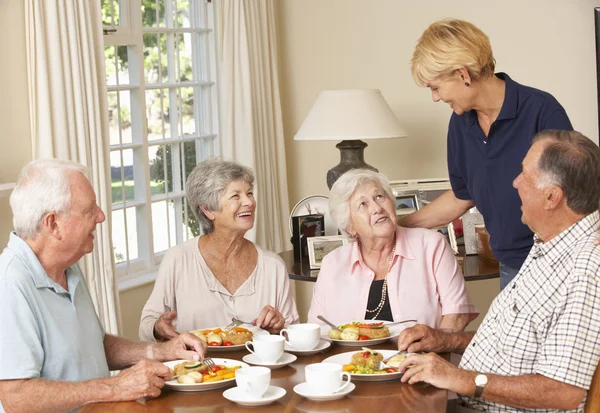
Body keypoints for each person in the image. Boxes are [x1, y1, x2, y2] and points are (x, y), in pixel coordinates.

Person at [397, 130, 600, 413]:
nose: (515, 183)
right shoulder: (549, 242)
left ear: (552, 197)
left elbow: (562, 391)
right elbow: (512, 344)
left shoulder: (586, 269)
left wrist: (458, 378)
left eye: (524, 176)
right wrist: (446, 340)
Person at [0, 159, 206, 413]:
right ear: (53, 225)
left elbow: (94, 345)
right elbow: (16, 397)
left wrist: (162, 351)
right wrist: (116, 386)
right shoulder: (9, 285)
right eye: (89, 210)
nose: (101, 216)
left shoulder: (68, 266)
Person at [400, 19, 573, 289]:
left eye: (435, 87)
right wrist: (399, 225)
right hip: (511, 267)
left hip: (558, 266)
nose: (435, 97)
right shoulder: (460, 124)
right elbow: (462, 197)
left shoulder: (541, 110)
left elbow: (579, 193)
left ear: (462, 74)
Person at [139, 158, 299, 341]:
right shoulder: (179, 259)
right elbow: (146, 325)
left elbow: (293, 334)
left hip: (259, 368)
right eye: (235, 196)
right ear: (208, 210)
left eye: (249, 193)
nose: (249, 202)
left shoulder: (273, 266)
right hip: (199, 367)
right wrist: (158, 328)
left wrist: (279, 327)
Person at [307, 169, 478, 331]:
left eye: (380, 197)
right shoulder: (332, 264)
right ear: (350, 227)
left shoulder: (432, 246)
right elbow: (317, 329)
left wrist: (432, 353)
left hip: (422, 358)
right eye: (362, 205)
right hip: (349, 361)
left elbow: (457, 316)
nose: (377, 208)